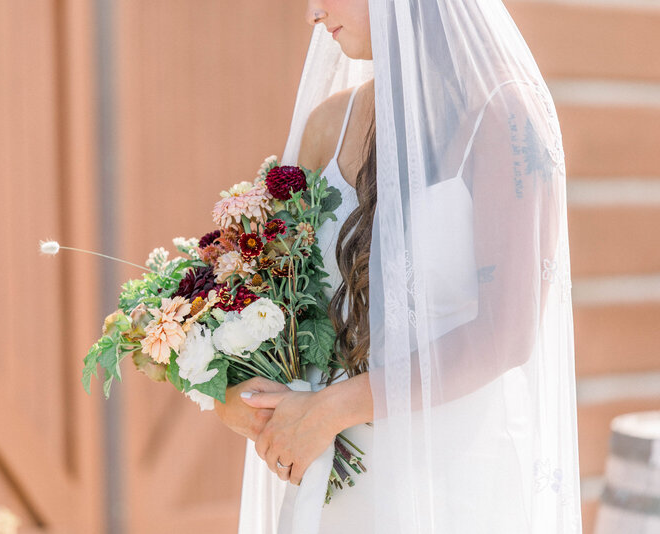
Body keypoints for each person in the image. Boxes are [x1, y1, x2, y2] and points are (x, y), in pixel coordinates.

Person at [216, 1, 582, 533]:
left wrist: (333, 407)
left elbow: (508, 333)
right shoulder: (327, 127)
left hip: (450, 483)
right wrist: (232, 390)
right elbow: (263, 294)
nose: (312, 14)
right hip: (331, 483)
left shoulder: (503, 116)